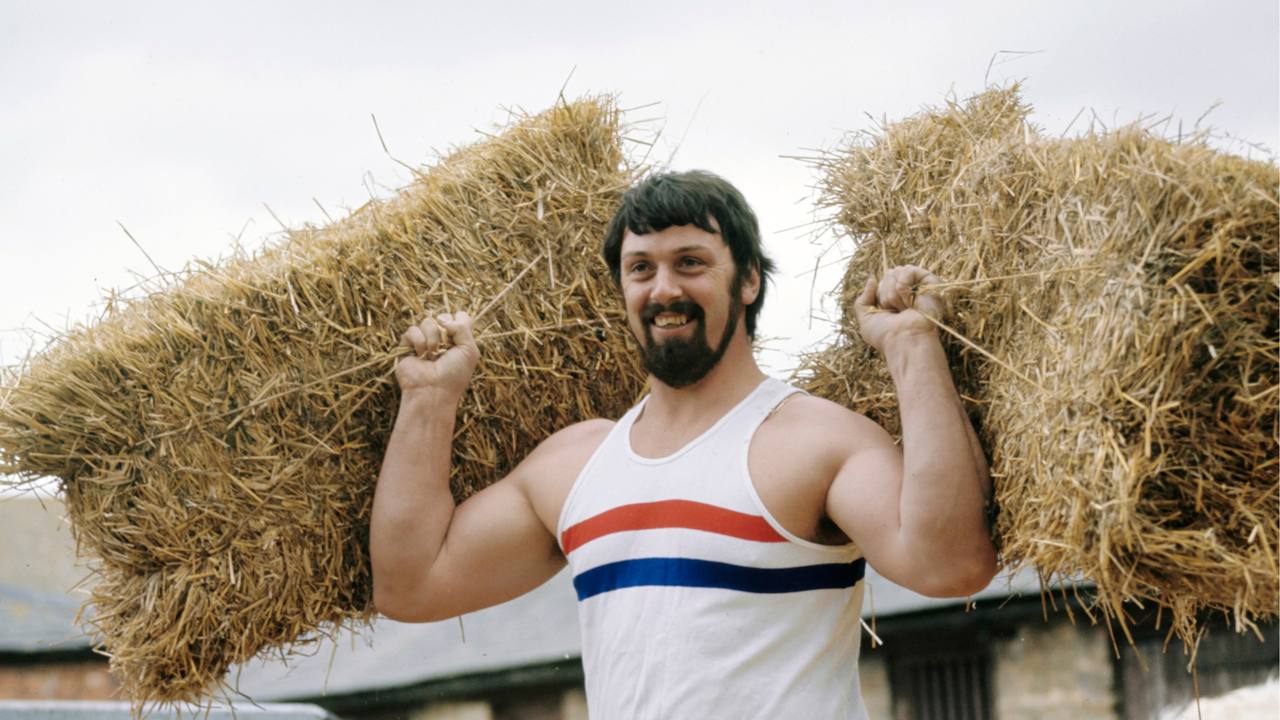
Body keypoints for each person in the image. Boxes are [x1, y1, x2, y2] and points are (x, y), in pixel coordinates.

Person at [371, 170, 997, 719]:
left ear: (748, 280)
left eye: (690, 262)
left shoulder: (817, 440)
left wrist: (913, 346)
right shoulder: (577, 464)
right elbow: (412, 585)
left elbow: (952, 565)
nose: (663, 288)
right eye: (641, 268)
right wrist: (429, 400)